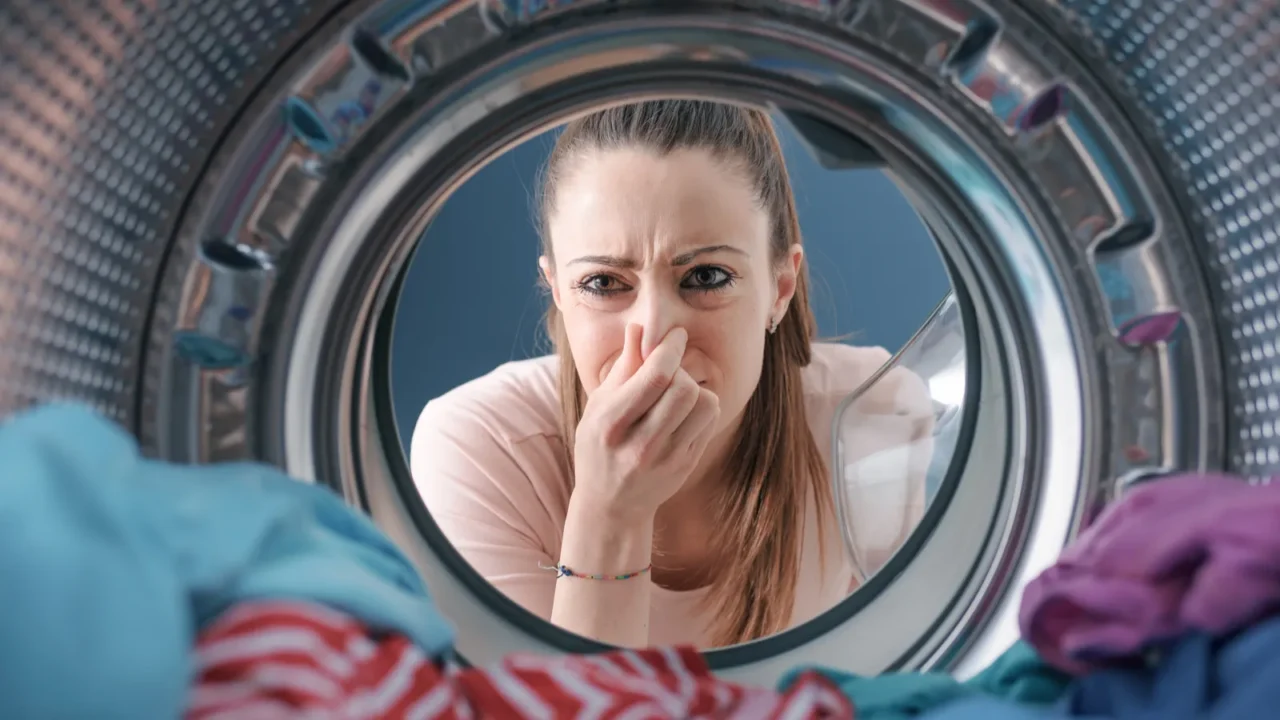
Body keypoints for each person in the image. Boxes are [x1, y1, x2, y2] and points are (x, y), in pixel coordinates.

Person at [411, 99, 935, 650]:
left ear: (779, 288)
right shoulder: (478, 449)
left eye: (706, 276)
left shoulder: (870, 415)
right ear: (559, 290)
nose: (657, 333)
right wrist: (610, 514)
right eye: (604, 283)